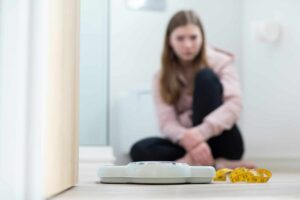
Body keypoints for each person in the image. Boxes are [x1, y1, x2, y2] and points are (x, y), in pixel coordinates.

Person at [130, 10, 255, 169]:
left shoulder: (221, 62)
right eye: (180, 38)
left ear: (202, 38)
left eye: (193, 37)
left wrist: (200, 133)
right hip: (187, 143)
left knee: (205, 77)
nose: (188, 45)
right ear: (170, 41)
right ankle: (214, 164)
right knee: (140, 149)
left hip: (222, 141)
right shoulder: (160, 77)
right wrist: (189, 140)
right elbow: (167, 122)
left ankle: (188, 163)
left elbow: (234, 104)